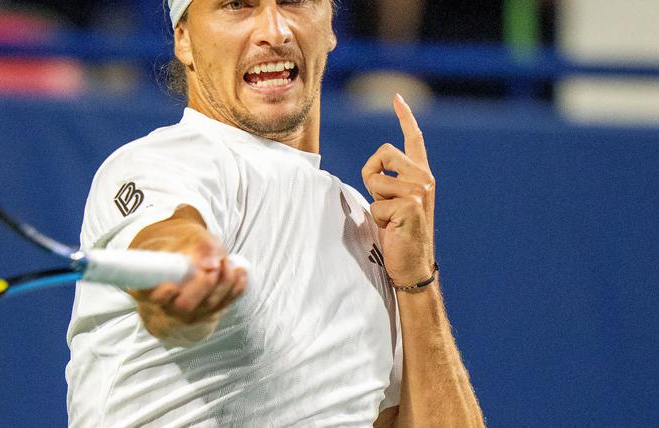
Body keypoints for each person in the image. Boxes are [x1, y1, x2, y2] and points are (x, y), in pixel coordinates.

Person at [66, 0, 484, 426]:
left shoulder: (362, 222)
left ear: (331, 25)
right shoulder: (159, 163)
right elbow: (166, 243)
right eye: (237, 5)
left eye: (294, 2)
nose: (275, 31)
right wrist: (184, 275)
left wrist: (417, 282)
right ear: (185, 38)